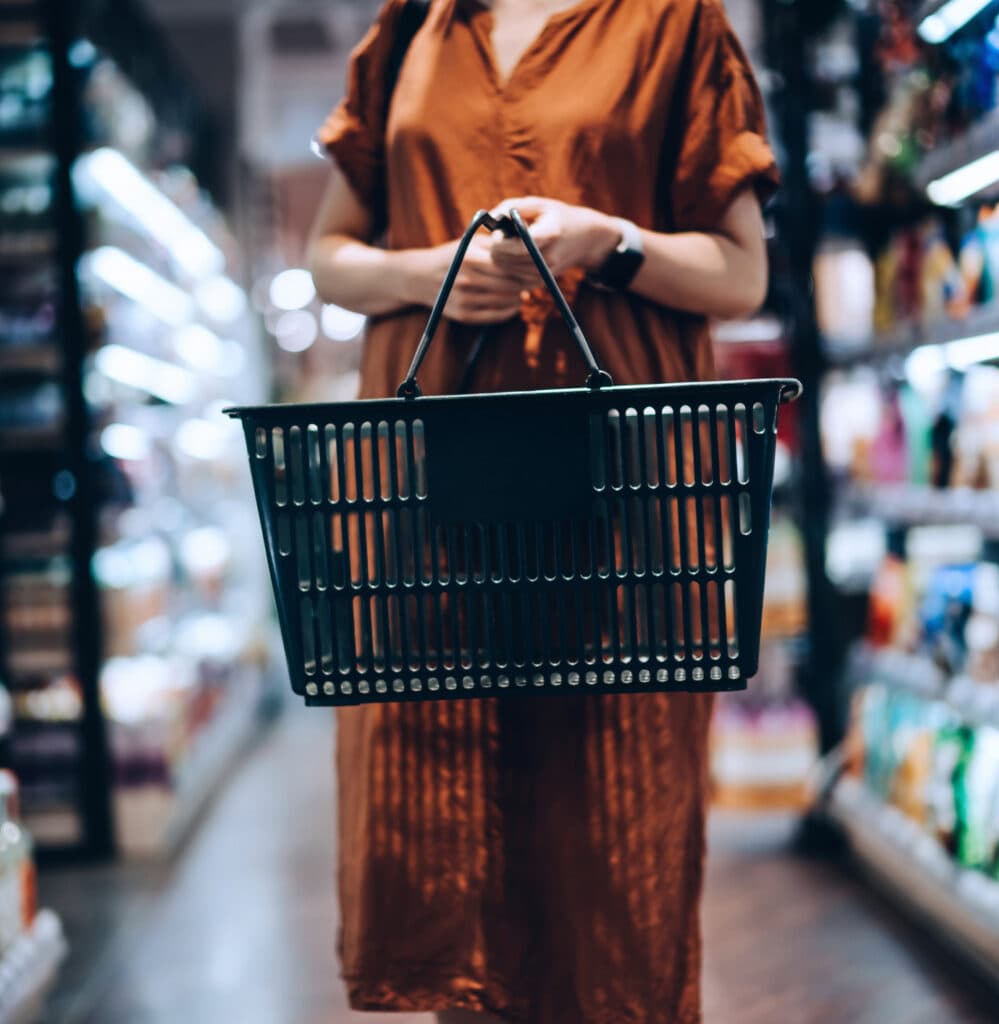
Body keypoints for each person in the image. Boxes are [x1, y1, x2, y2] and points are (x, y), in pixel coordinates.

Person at [307, 1, 778, 1020]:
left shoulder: (671, 25)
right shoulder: (410, 30)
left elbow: (741, 274)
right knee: (451, 826)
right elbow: (329, 255)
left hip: (626, 503)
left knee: (614, 838)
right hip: (432, 492)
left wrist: (606, 240)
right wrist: (432, 272)